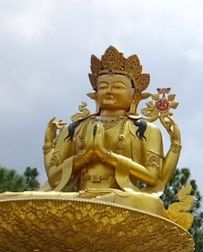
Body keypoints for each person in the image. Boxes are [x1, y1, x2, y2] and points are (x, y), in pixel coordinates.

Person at [37, 46, 181, 216]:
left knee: (150, 205)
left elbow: (152, 177)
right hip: (77, 197)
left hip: (120, 199)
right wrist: (58, 148)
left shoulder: (146, 130)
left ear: (134, 95)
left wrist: (105, 154)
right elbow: (54, 178)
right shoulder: (75, 128)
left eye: (118, 87)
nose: (110, 91)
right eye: (103, 86)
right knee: (24, 198)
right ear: (95, 93)